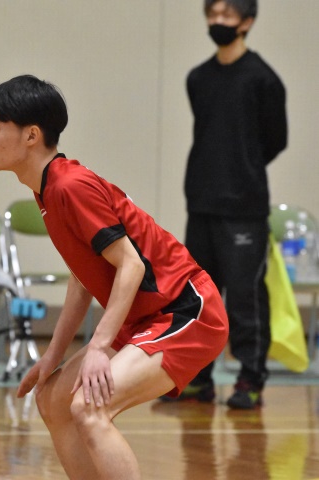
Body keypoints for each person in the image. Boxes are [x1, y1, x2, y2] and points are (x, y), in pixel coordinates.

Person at [0, 74, 229, 480]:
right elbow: (82, 278)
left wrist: (97, 346)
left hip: (186, 311)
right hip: (145, 318)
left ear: (31, 135)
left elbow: (131, 265)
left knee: (89, 407)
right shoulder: (48, 189)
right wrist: (53, 355)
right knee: (54, 401)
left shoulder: (70, 186)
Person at [175, 0, 287, 409]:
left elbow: (275, 141)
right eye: (212, 14)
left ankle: (250, 380)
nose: (217, 22)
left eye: (226, 15)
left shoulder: (263, 79)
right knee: (200, 296)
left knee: (244, 297)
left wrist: (241, 169)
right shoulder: (198, 78)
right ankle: (198, 379)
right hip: (201, 202)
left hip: (244, 207)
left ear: (247, 22)